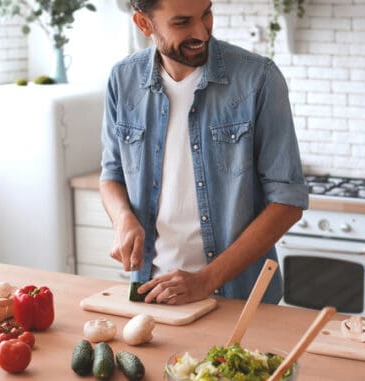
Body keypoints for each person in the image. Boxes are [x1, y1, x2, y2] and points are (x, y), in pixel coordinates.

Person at [100, 0, 307, 305]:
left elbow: (287, 202)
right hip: (153, 292)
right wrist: (122, 219)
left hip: (239, 301)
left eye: (206, 14)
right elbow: (111, 174)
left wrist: (204, 281)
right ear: (144, 24)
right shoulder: (123, 80)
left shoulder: (258, 78)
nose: (202, 32)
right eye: (182, 23)